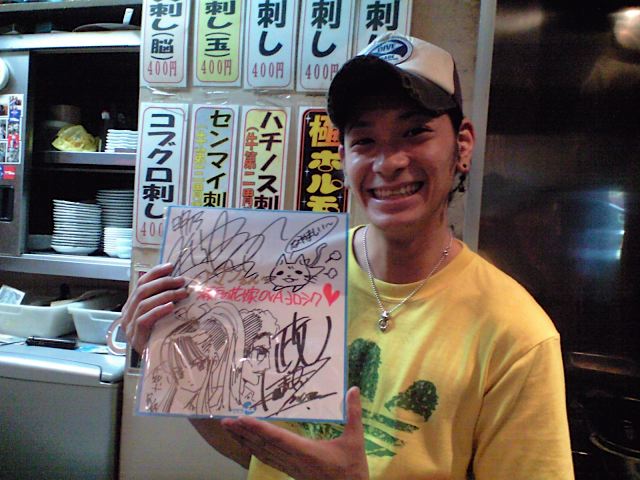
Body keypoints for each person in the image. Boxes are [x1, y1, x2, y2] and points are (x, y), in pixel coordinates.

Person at [120, 33, 574, 479]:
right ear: (342, 157)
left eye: (415, 132)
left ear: (463, 144)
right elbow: (258, 454)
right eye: (365, 140)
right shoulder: (292, 272)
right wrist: (174, 361)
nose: (389, 162)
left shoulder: (516, 336)